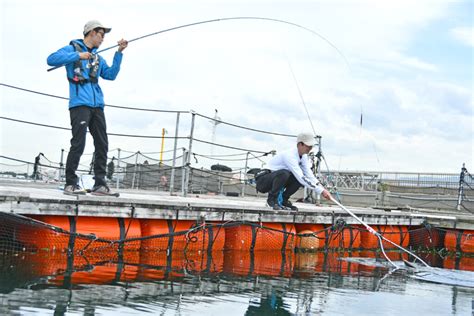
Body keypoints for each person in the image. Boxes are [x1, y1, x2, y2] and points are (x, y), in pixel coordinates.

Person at [47, 20, 128, 196]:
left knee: (102, 143)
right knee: (78, 142)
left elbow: (111, 75)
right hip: (79, 105)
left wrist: (119, 53)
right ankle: (71, 183)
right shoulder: (72, 49)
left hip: (98, 105)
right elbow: (51, 59)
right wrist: (78, 56)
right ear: (91, 32)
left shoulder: (99, 57)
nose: (103, 39)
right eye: (101, 35)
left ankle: (100, 184)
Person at [255, 132, 332, 210]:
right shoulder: (290, 155)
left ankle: (284, 200)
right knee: (285, 173)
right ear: (300, 144)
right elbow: (301, 177)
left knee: (296, 178)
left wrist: (322, 188)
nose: (310, 148)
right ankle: (271, 200)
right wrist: (321, 191)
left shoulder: (303, 156)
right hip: (263, 181)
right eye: (308, 146)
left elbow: (309, 175)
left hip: (277, 179)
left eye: (311, 146)